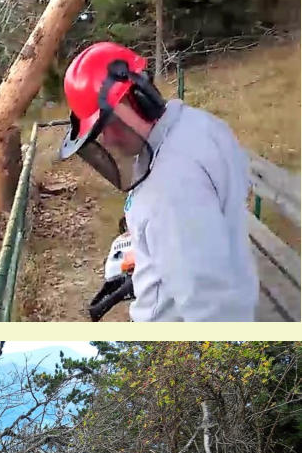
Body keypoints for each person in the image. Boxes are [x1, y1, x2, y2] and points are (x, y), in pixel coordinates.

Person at [59, 41, 259, 321]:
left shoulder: (168, 188)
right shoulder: (198, 124)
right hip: (235, 281)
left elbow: (214, 311)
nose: (107, 139)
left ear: (139, 98)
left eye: (108, 124)